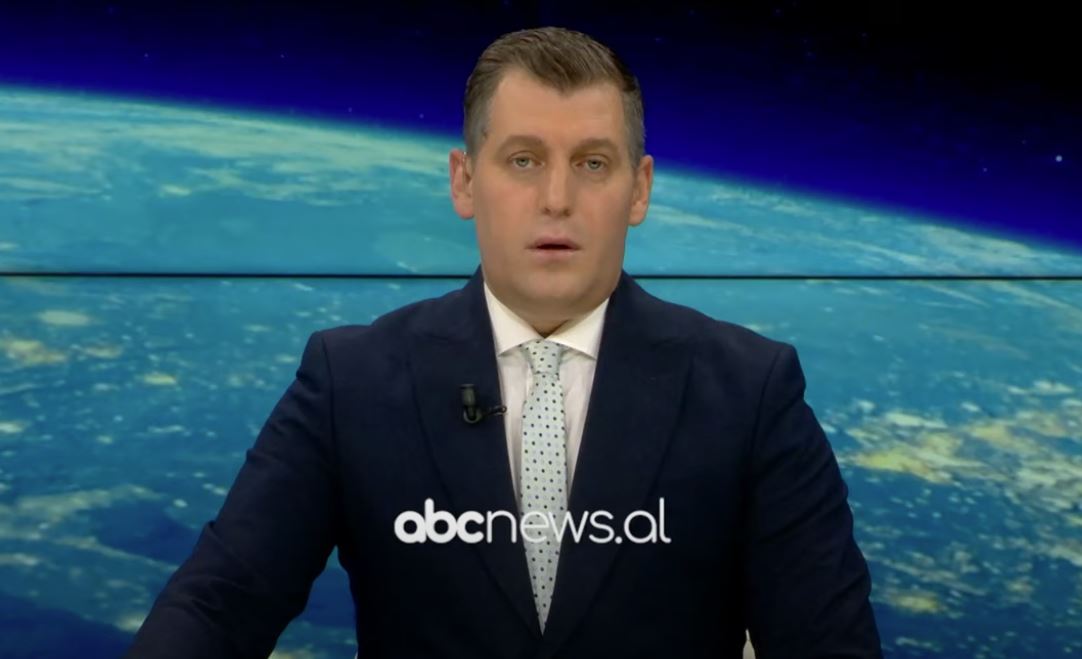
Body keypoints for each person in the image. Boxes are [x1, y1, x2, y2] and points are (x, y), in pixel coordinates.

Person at [125, 26, 882, 659]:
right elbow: (221, 602)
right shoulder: (350, 381)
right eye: (524, 160)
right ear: (464, 182)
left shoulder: (751, 392)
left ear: (640, 189)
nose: (557, 198)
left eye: (592, 164)